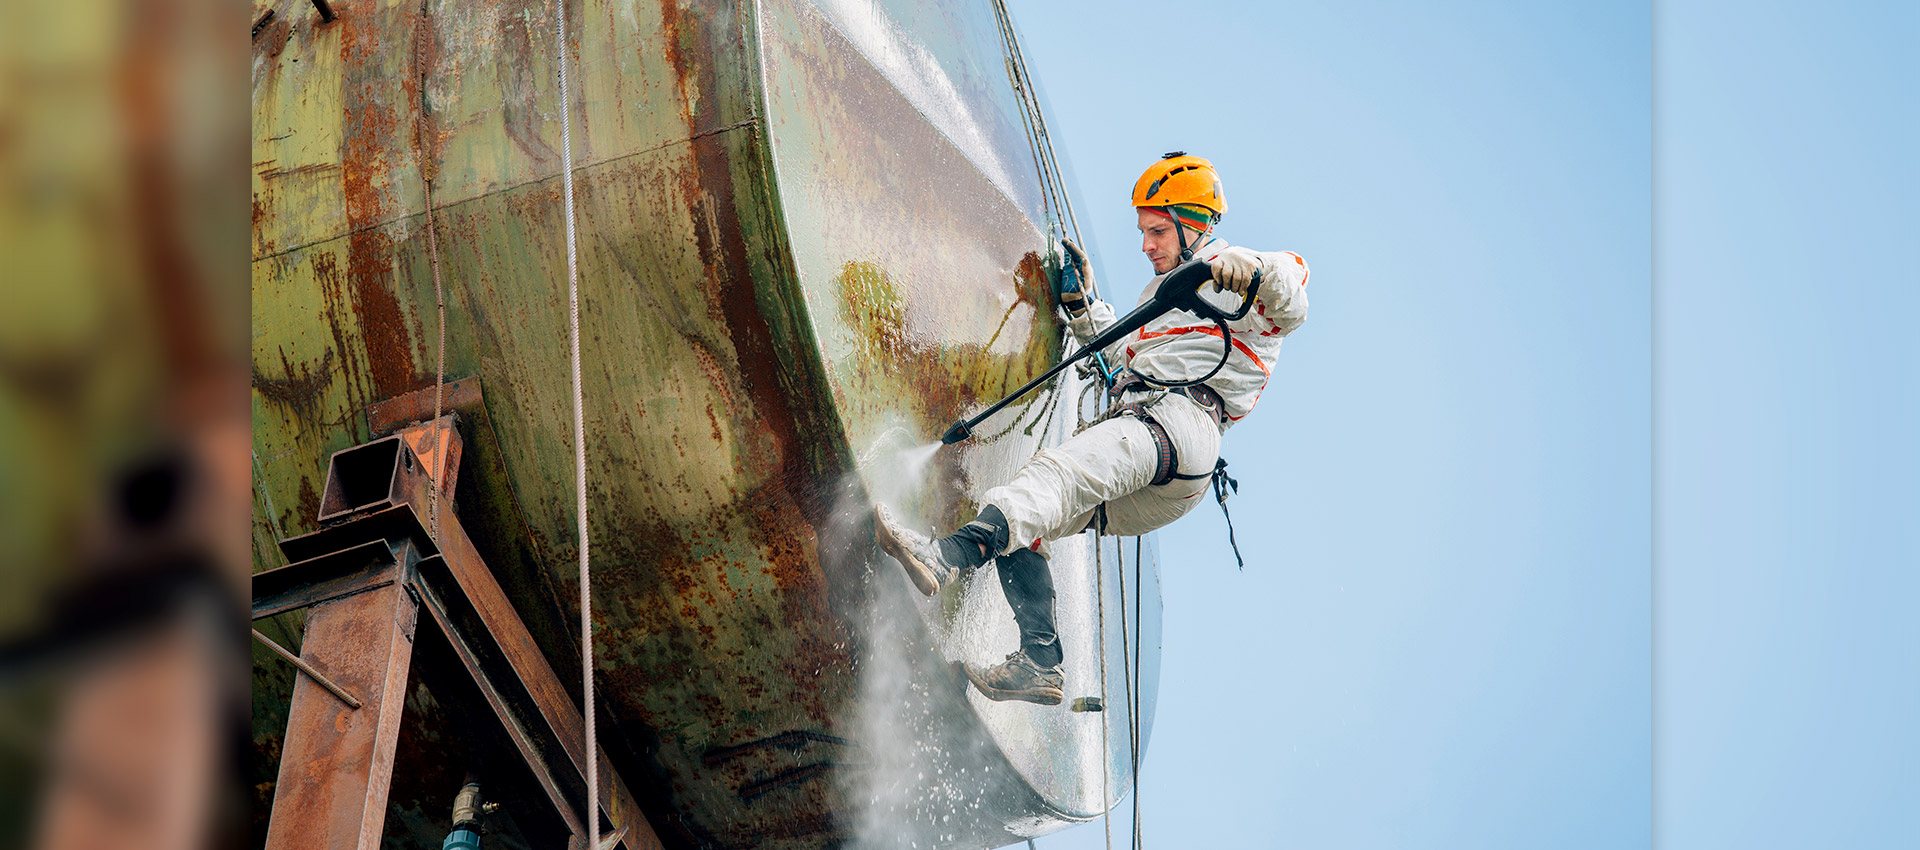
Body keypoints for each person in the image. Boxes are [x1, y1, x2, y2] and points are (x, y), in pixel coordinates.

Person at [876, 152, 1309, 705]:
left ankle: (940, 557)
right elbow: (1121, 354)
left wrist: (1251, 270)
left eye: (1157, 230)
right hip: (1170, 463)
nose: (1147, 245)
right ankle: (1040, 661)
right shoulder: (1163, 297)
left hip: (1178, 425)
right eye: (1142, 233)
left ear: (1194, 223)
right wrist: (1083, 307)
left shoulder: (1236, 273)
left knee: (1050, 478)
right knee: (1028, 513)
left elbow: (1293, 293)